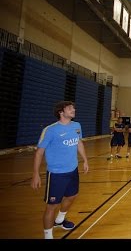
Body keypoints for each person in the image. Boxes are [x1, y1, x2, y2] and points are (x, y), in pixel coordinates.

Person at [31, 101, 89, 239]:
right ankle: (48, 236)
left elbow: (79, 143)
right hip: (56, 174)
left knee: (72, 196)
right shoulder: (50, 130)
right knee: (52, 205)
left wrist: (85, 160)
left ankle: (60, 220)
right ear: (61, 112)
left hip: (73, 170)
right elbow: (39, 153)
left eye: (73, 107)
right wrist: (35, 174)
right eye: (70, 108)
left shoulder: (77, 126)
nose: (73, 109)